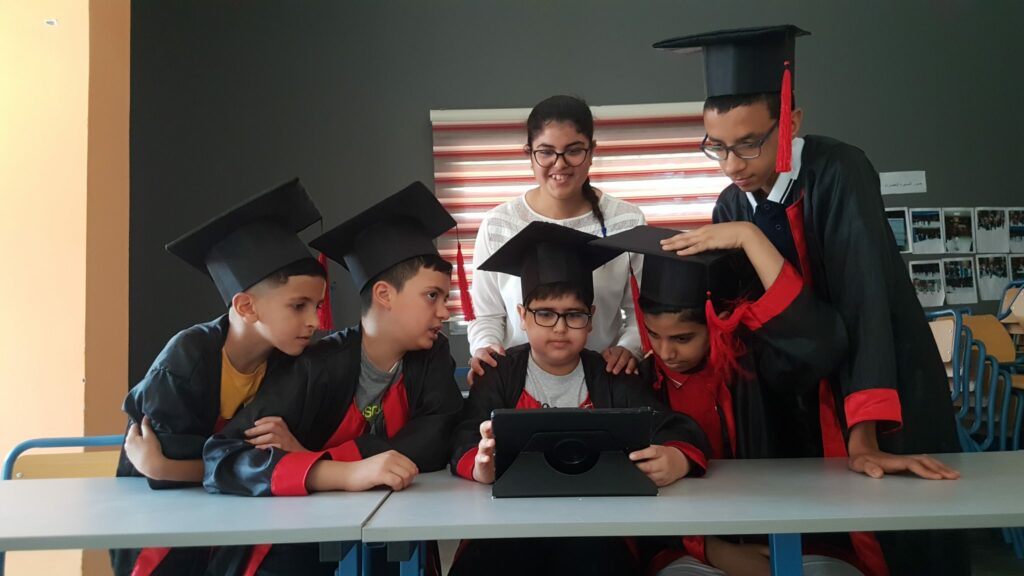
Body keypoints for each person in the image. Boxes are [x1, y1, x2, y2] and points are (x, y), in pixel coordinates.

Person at [654, 25, 965, 575]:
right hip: (797, 399)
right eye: (717, 147)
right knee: (817, 543)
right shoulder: (732, 206)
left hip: (879, 388)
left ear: (791, 121)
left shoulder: (839, 172)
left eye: (748, 144)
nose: (731, 164)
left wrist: (863, 437)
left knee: (900, 544)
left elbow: (864, 301)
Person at [449, 221, 710, 576]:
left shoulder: (612, 375)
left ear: (591, 319)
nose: (560, 328)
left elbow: (673, 427)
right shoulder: (498, 373)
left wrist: (676, 458)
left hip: (598, 528)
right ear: (522, 316)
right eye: (545, 314)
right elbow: (464, 436)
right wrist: (480, 466)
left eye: (574, 315)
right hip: (507, 526)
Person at [112, 179, 327, 576]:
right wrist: (170, 471)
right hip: (163, 523)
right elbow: (164, 476)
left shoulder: (290, 364)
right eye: (299, 306)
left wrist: (169, 467)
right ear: (246, 306)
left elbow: (259, 463)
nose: (315, 321)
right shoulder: (186, 359)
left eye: (317, 305)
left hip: (240, 515)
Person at [467, 95, 645, 383]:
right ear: (529, 154)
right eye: (546, 152)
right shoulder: (498, 225)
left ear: (592, 151)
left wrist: (629, 348)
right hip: (520, 382)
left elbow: (641, 312)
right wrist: (486, 348)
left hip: (604, 378)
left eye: (573, 151)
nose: (559, 164)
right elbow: (486, 315)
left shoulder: (627, 222)